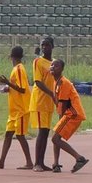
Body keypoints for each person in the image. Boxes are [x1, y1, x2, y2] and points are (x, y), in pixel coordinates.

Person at [47, 58, 90, 173]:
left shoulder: (64, 83)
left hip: (73, 114)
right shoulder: (56, 81)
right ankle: (56, 164)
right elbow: (59, 103)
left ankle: (79, 158)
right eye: (52, 65)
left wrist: (61, 118)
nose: (52, 67)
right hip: (69, 113)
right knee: (56, 137)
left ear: (61, 69)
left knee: (55, 138)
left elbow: (64, 104)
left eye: (56, 66)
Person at [0, 46, 36, 171]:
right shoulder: (16, 69)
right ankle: (1, 161)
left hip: (21, 109)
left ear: (11, 57)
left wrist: (8, 83)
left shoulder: (19, 69)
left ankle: (29, 162)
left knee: (20, 135)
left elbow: (22, 89)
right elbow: (17, 87)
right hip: (14, 110)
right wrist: (7, 88)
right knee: (8, 134)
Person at [31, 37, 58, 171]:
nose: (44, 48)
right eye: (42, 45)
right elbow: (38, 82)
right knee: (41, 132)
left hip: (49, 102)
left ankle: (41, 162)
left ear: (52, 46)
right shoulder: (38, 61)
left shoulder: (54, 63)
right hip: (40, 100)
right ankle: (36, 163)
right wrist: (51, 93)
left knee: (46, 131)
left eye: (47, 45)